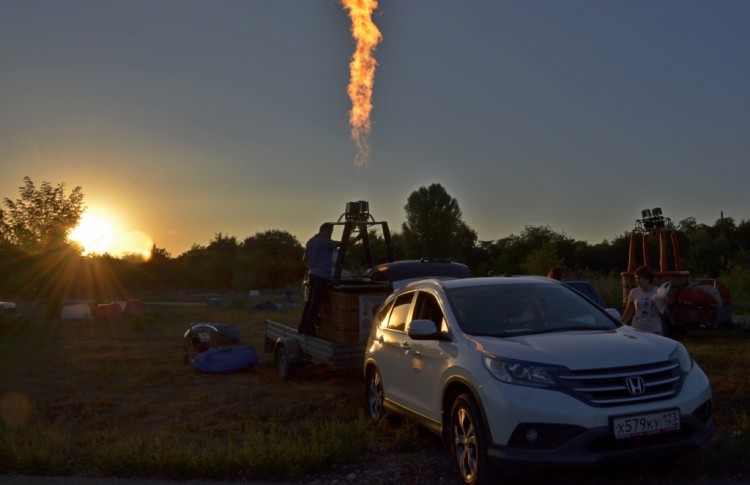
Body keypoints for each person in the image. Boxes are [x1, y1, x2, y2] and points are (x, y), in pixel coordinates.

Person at [298, 223, 339, 336]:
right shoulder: (325, 242)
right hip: (322, 276)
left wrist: (312, 267)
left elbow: (305, 259)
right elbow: (344, 244)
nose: (331, 234)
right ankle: (309, 330)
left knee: (309, 302)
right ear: (325, 230)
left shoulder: (310, 241)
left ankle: (302, 326)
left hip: (312, 274)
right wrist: (357, 237)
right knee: (315, 303)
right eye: (330, 231)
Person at [620, 265, 664, 335]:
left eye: (639, 278)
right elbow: (628, 312)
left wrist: (661, 301)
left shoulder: (658, 291)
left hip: (654, 329)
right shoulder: (634, 292)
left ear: (647, 278)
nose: (637, 280)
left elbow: (664, 312)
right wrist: (620, 327)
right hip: (637, 329)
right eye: (636, 278)